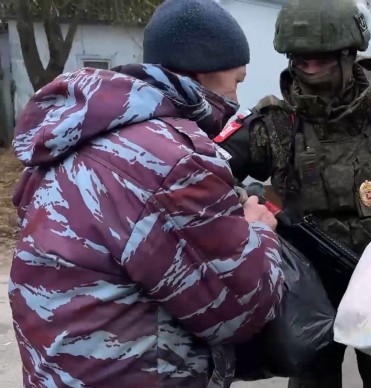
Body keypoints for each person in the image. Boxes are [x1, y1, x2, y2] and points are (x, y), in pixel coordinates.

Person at [8, 1, 283, 387]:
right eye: (236, 80)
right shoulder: (171, 160)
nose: (237, 96)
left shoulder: (80, 135)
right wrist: (259, 230)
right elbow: (239, 309)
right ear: (202, 70)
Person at [215, 0, 371, 386]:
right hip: (308, 288)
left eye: (322, 59)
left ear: (349, 55)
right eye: (301, 60)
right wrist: (242, 202)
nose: (310, 69)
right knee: (311, 378)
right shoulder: (277, 124)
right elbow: (203, 168)